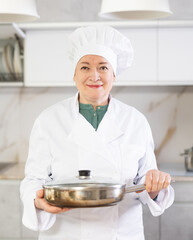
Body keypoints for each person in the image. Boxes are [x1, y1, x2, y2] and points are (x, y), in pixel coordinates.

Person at [20, 25, 174, 240]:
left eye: (103, 67)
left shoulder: (135, 121)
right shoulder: (48, 120)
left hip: (121, 232)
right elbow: (34, 179)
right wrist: (37, 200)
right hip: (67, 232)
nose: (94, 75)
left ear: (114, 75)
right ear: (74, 75)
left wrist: (155, 186)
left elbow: (147, 182)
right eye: (85, 67)